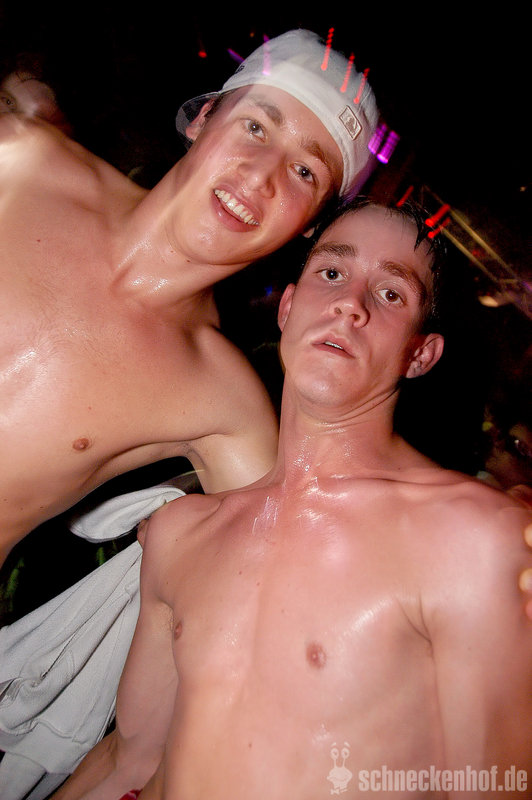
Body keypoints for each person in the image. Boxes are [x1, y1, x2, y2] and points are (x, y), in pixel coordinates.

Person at [0, 29, 378, 800]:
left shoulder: (221, 401)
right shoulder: (24, 163)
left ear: (310, 222)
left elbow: (288, 618)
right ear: (204, 117)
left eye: (305, 170)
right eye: (257, 126)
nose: (262, 175)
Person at [52, 199, 532, 800]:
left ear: (420, 354)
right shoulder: (183, 532)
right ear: (287, 307)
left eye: (390, 294)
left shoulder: (476, 542)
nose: (350, 304)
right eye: (332, 272)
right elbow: (129, 758)